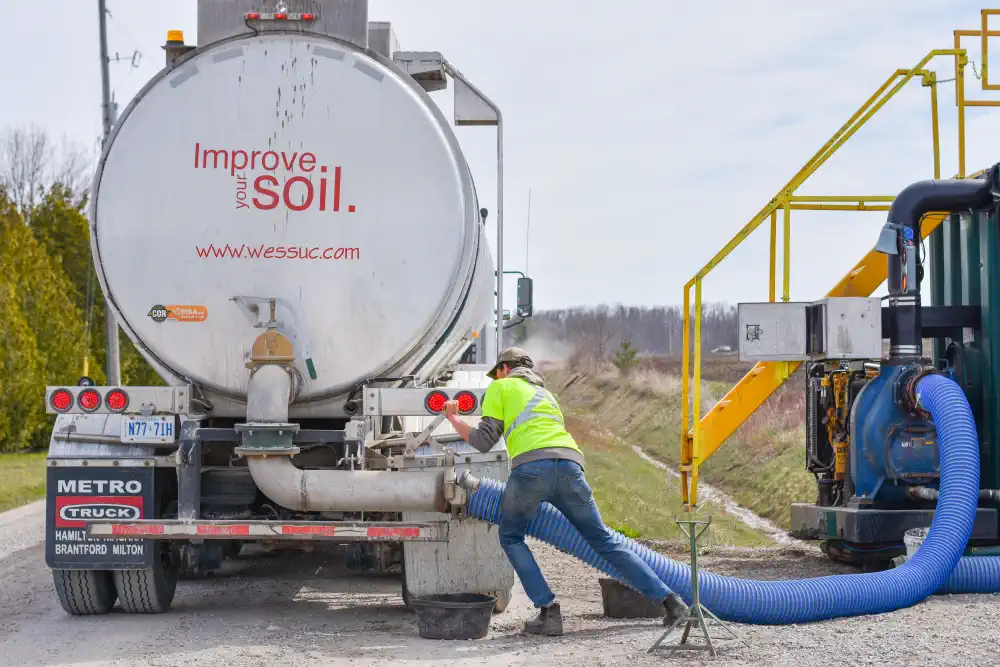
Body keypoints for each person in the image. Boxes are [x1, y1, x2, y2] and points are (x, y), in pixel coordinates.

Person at [443, 347, 689, 636]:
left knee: (510, 536)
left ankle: (548, 611)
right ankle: (672, 603)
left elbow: (484, 441)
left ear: (504, 369)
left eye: (497, 372)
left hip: (532, 470)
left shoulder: (501, 386)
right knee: (604, 540)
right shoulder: (547, 395)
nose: (496, 377)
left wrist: (454, 419)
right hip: (571, 466)